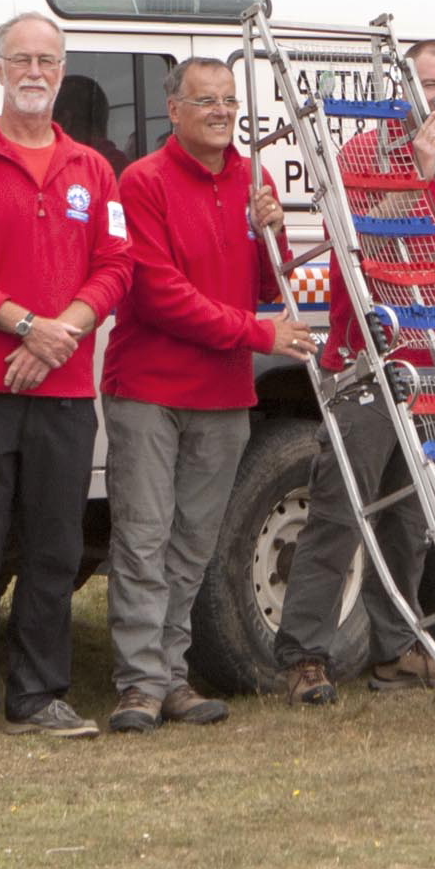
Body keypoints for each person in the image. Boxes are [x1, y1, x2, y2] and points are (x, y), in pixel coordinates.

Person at [0, 12, 133, 739]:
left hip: (65, 392)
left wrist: (58, 334)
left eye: (47, 60)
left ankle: (39, 697)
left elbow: (115, 267)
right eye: (21, 60)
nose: (34, 72)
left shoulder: (94, 169)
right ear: (1, 70)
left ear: (61, 72)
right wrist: (22, 325)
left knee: (55, 550)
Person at [276, 39, 435, 706]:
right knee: (339, 513)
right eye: (431, 84)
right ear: (402, 87)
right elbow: (363, 241)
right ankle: (306, 653)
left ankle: (395, 651)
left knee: (411, 519)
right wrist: (419, 173)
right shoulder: (364, 153)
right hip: (369, 363)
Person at [107, 55, 310, 732]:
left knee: (193, 543)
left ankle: (171, 678)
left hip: (222, 395)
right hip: (150, 391)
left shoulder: (252, 179)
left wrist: (273, 231)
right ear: (174, 111)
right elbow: (160, 297)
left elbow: (266, 286)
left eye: (228, 100)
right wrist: (256, 334)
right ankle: (138, 684)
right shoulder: (142, 184)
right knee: (142, 537)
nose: (221, 112)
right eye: (206, 101)